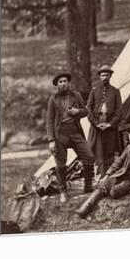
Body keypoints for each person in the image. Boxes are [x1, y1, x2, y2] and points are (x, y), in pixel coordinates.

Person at [77, 127, 130, 218]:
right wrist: (107, 175)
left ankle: (106, 194)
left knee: (114, 192)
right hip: (122, 174)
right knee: (104, 185)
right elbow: (119, 162)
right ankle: (85, 209)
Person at [46, 73, 96, 203]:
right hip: (60, 134)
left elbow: (86, 111)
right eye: (60, 82)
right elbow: (49, 120)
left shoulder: (76, 96)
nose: (63, 83)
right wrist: (51, 140)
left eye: (65, 81)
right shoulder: (53, 99)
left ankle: (88, 185)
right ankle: (63, 190)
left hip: (75, 132)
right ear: (57, 85)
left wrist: (77, 112)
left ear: (69, 83)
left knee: (89, 156)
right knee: (61, 163)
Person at [87, 65, 123, 177]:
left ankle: (109, 178)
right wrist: (96, 123)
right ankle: (99, 179)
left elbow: (119, 111)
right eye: (102, 75)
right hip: (96, 128)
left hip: (110, 128)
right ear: (99, 77)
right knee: (98, 154)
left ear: (110, 76)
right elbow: (88, 108)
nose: (105, 77)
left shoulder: (115, 91)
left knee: (110, 152)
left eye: (107, 75)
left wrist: (110, 124)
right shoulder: (94, 91)